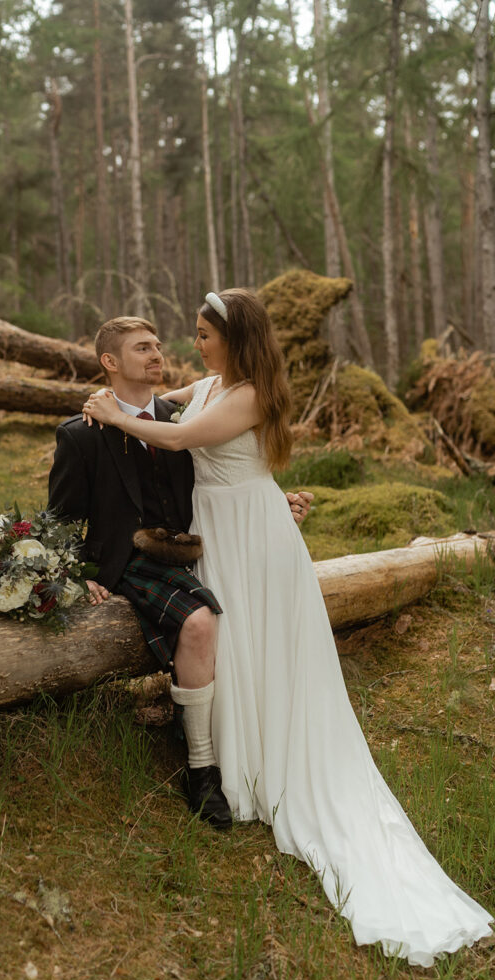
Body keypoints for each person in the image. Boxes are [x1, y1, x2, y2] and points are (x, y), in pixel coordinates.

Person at [83, 288, 494, 967]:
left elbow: (179, 435)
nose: (194, 344)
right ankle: (228, 758)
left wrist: (112, 417)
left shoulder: (249, 394)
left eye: (203, 334)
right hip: (220, 526)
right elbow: (157, 403)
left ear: (233, 338)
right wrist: (102, 404)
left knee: (265, 645)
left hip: (253, 534)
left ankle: (262, 764)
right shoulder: (213, 382)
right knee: (236, 643)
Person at [48, 314, 312, 832]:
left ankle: (208, 749)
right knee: (199, 622)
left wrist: (272, 503)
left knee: (221, 624)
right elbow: (59, 518)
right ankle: (203, 768)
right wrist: (80, 573)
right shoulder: (82, 433)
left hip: (191, 546)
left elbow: (220, 472)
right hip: (128, 560)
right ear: (110, 362)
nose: (158, 354)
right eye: (142, 348)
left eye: (156, 345)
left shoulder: (178, 414)